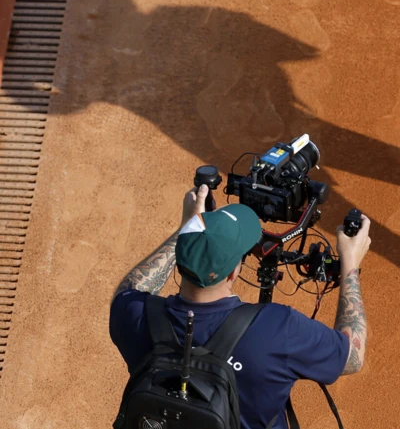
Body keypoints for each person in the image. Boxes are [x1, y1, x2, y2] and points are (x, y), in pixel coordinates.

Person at [109, 183, 373, 428]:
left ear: (178, 261)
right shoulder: (278, 329)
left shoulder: (134, 316)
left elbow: (131, 287)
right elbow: (352, 357)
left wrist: (188, 231)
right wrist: (350, 262)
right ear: (234, 272)